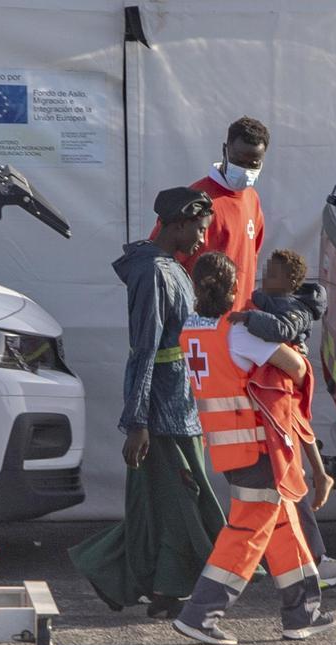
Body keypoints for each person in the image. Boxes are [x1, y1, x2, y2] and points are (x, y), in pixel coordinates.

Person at [152, 116, 336, 589]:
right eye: (240, 158)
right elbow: (166, 260)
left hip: (242, 342)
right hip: (222, 345)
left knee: (269, 467)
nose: (247, 168)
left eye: (255, 162)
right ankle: (284, 568)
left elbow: (247, 272)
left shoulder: (250, 199)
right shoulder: (198, 201)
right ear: (224, 148)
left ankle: (301, 566)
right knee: (268, 463)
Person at [173, 252, 336, 645]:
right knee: (246, 533)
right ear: (234, 288)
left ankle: (303, 613)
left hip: (228, 448)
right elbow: (296, 369)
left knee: (283, 525)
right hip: (258, 448)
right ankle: (200, 614)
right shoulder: (239, 332)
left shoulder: (191, 331)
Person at [69, 187, 221, 620]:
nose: (202, 240)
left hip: (181, 408)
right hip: (162, 416)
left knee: (165, 507)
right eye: (199, 229)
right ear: (178, 223)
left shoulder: (172, 268)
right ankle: (164, 588)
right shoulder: (151, 272)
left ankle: (164, 592)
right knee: (183, 507)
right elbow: (145, 349)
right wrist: (138, 422)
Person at [229, 249, 324, 356]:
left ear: (290, 282)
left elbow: (284, 329)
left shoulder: (298, 309)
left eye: (273, 275)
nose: (266, 277)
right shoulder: (268, 294)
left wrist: (248, 317)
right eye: (267, 271)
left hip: (279, 364)